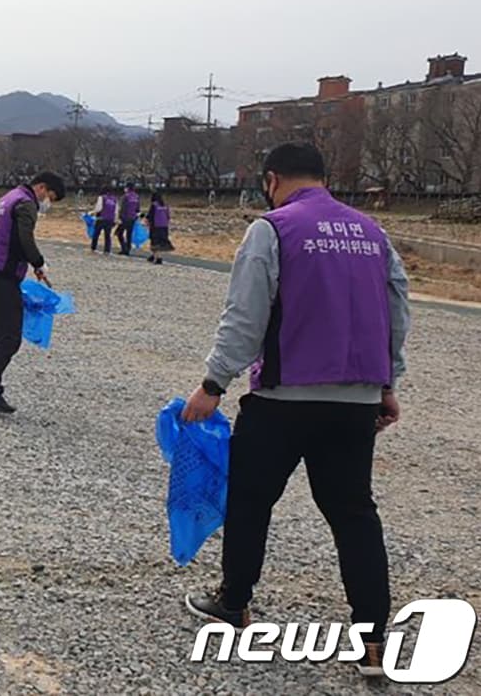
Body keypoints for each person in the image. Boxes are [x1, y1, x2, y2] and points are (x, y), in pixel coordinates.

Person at [180, 143, 410, 680]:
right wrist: (387, 383)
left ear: (272, 179)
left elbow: (245, 314)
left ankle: (234, 602)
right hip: (354, 401)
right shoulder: (373, 233)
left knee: (251, 501)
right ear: (326, 180)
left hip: (285, 399)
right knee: (353, 513)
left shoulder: (274, 229)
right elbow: (397, 308)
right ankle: (373, 641)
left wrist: (214, 382)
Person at [0, 171, 66, 414]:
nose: (47, 204)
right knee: (10, 337)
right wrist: (38, 262)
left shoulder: (6, 199)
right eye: (50, 198)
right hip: (1, 278)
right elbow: (24, 237)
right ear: (42, 188)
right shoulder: (25, 203)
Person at [144, 192, 173, 265]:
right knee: (160, 242)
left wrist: (146, 222)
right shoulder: (165, 206)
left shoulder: (154, 205)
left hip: (155, 226)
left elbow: (150, 215)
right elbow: (168, 216)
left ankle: (158, 258)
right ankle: (154, 256)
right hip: (164, 226)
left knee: (155, 242)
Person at [88, 185, 116, 254]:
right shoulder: (114, 199)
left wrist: (91, 212)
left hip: (101, 218)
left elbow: (99, 208)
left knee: (96, 234)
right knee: (107, 235)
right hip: (110, 219)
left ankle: (93, 247)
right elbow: (116, 210)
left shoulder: (102, 197)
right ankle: (107, 250)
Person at [115, 183, 141, 256]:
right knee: (129, 234)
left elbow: (122, 208)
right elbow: (138, 208)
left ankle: (124, 248)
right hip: (133, 218)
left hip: (125, 217)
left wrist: (120, 217)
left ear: (127, 188)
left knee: (119, 233)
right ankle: (128, 249)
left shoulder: (125, 196)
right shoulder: (136, 196)